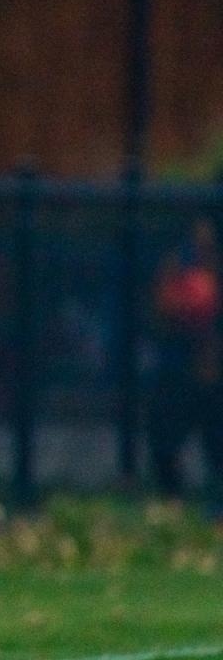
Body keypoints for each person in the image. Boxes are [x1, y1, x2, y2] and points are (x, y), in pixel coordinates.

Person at [147, 217, 222, 511]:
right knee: (164, 440)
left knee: (216, 446)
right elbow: (161, 311)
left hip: (212, 372)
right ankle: (173, 501)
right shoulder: (177, 264)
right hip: (180, 368)